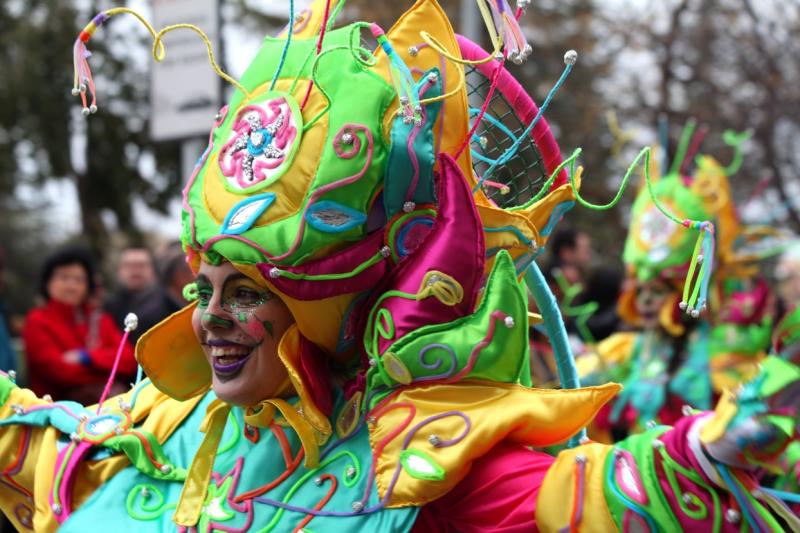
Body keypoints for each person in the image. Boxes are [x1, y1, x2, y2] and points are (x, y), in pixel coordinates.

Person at [0, 1, 797, 531]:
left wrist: (702, 455)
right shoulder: (169, 430)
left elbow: (572, 497)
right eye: (205, 288)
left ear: (321, 303)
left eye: (246, 292)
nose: (210, 316)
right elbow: (46, 459)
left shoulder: (403, 454)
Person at [21, 246, 136, 404]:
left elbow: (129, 360)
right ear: (48, 283)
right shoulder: (37, 321)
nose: (71, 286)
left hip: (106, 407)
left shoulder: (100, 319)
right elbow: (59, 373)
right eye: (64, 278)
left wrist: (86, 357)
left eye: (78, 279)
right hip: (55, 413)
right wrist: (107, 368)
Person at [105, 244, 173, 345]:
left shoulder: (169, 305)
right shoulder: (107, 308)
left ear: (153, 270)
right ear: (119, 270)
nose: (136, 271)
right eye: (129, 265)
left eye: (142, 265)